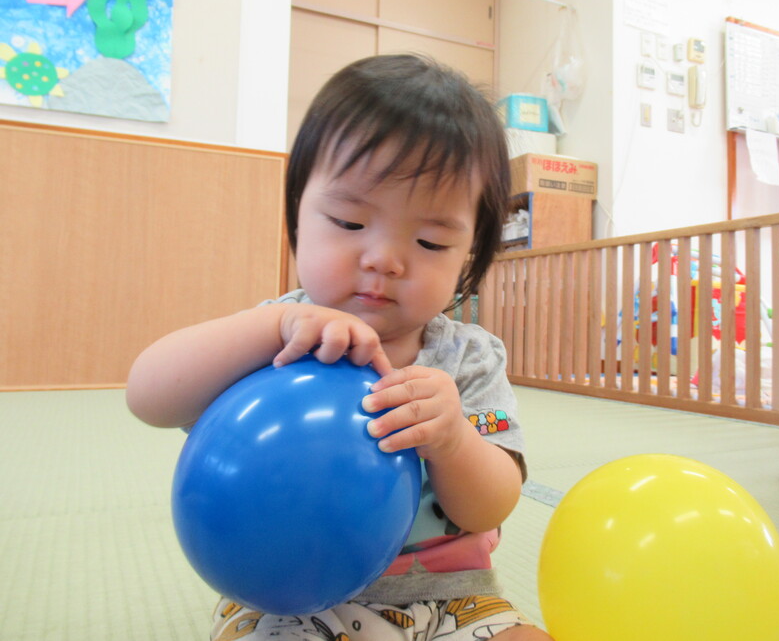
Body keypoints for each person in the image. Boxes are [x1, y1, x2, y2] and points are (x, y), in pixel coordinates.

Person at [127, 54, 554, 641]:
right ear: (299, 216)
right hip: (281, 597)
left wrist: (453, 438)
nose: (384, 259)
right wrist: (271, 330)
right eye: (350, 223)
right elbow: (147, 396)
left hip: (451, 601)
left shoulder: (469, 359)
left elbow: (491, 506)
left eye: (430, 241)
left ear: (468, 257)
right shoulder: (275, 336)